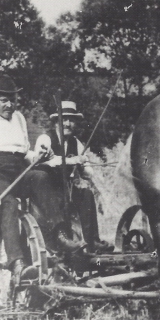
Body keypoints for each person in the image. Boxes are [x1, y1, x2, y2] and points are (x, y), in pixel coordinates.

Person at [0, 75, 82, 289]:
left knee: (40, 177)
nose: (10, 104)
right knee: (8, 204)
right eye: (4, 100)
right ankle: (17, 263)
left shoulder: (18, 118)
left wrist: (38, 157)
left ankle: (60, 235)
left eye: (13, 99)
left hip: (19, 169)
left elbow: (24, 151)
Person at [35, 101, 114, 254]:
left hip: (67, 192)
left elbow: (88, 172)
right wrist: (73, 160)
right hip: (46, 193)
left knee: (86, 194)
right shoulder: (45, 139)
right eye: (64, 119)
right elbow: (47, 161)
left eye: (71, 120)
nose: (68, 123)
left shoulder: (76, 143)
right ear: (56, 121)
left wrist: (84, 166)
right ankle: (61, 238)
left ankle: (93, 241)